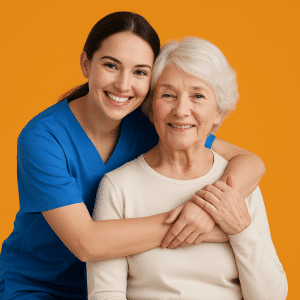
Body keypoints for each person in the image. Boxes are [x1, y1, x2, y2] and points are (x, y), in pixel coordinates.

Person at [0, 12, 265, 300]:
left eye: (140, 72)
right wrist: (209, 227)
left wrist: (205, 211)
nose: (124, 85)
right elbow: (85, 243)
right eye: (111, 66)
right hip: (41, 287)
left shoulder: (151, 122)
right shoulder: (43, 138)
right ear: (86, 64)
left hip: (119, 284)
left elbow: (250, 162)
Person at [87, 37, 288, 300]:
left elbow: (272, 296)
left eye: (198, 96)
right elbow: (105, 294)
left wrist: (241, 230)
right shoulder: (119, 187)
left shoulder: (237, 183)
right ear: (150, 108)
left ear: (218, 112)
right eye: (168, 95)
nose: (181, 110)